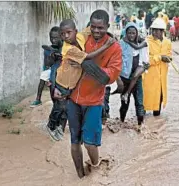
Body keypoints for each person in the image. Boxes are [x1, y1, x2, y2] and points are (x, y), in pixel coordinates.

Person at [55, 10, 122, 178]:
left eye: (100, 28)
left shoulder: (115, 47)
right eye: (93, 27)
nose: (96, 31)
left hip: (93, 101)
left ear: (107, 26)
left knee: (90, 144)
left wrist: (84, 63)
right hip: (73, 98)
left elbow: (108, 76)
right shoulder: (82, 38)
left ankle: (96, 168)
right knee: (74, 141)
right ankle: (80, 177)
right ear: (88, 26)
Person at [46, 19, 115, 141]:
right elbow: (88, 57)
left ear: (75, 31)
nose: (66, 36)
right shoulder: (68, 49)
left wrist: (108, 34)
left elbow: (92, 29)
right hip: (62, 83)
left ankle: (59, 128)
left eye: (68, 32)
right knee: (60, 107)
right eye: (63, 34)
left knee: (66, 108)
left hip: (71, 84)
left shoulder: (80, 36)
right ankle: (51, 126)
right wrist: (107, 45)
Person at [116, 22, 149, 127]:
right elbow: (116, 60)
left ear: (136, 33)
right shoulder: (121, 44)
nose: (131, 35)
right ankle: (121, 122)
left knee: (139, 102)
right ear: (126, 33)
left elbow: (145, 61)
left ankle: (140, 125)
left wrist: (143, 68)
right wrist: (118, 79)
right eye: (129, 33)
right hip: (125, 77)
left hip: (137, 77)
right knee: (124, 102)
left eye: (133, 33)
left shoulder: (141, 44)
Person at [142, 18, 172, 116]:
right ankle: (141, 122)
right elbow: (145, 60)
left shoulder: (167, 43)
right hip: (149, 76)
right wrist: (159, 57)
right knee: (146, 98)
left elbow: (169, 55)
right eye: (153, 30)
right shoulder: (147, 42)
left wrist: (169, 58)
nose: (154, 32)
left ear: (162, 31)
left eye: (157, 30)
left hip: (161, 76)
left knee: (159, 97)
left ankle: (156, 123)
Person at [30, 27, 62, 107]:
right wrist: (51, 55)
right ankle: (38, 99)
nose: (53, 40)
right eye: (51, 38)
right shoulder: (48, 49)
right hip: (51, 70)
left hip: (61, 71)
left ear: (61, 37)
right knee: (43, 77)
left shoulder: (64, 47)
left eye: (56, 38)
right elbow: (47, 63)